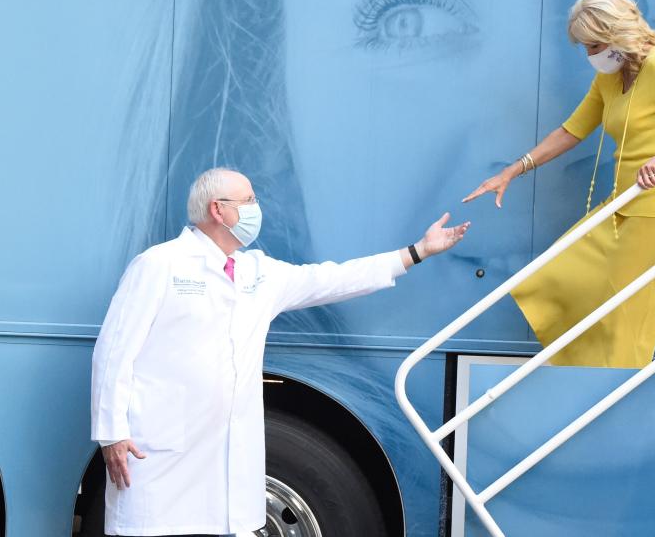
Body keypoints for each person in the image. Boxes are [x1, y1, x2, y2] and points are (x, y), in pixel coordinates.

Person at [91, 167, 469, 536]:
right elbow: (114, 351)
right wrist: (112, 433)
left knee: (210, 527)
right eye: (249, 200)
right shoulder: (159, 265)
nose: (257, 209)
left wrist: (416, 252)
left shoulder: (258, 272)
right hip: (160, 443)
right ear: (217, 210)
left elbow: (332, 279)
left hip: (221, 450)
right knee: (155, 529)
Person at [463, 0, 655, 368]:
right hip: (623, 199)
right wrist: (513, 170)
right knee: (553, 278)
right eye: (585, 47)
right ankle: (581, 373)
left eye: (594, 45)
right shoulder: (611, 78)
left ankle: (614, 389)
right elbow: (572, 131)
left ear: (616, 33)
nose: (589, 56)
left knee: (627, 317)